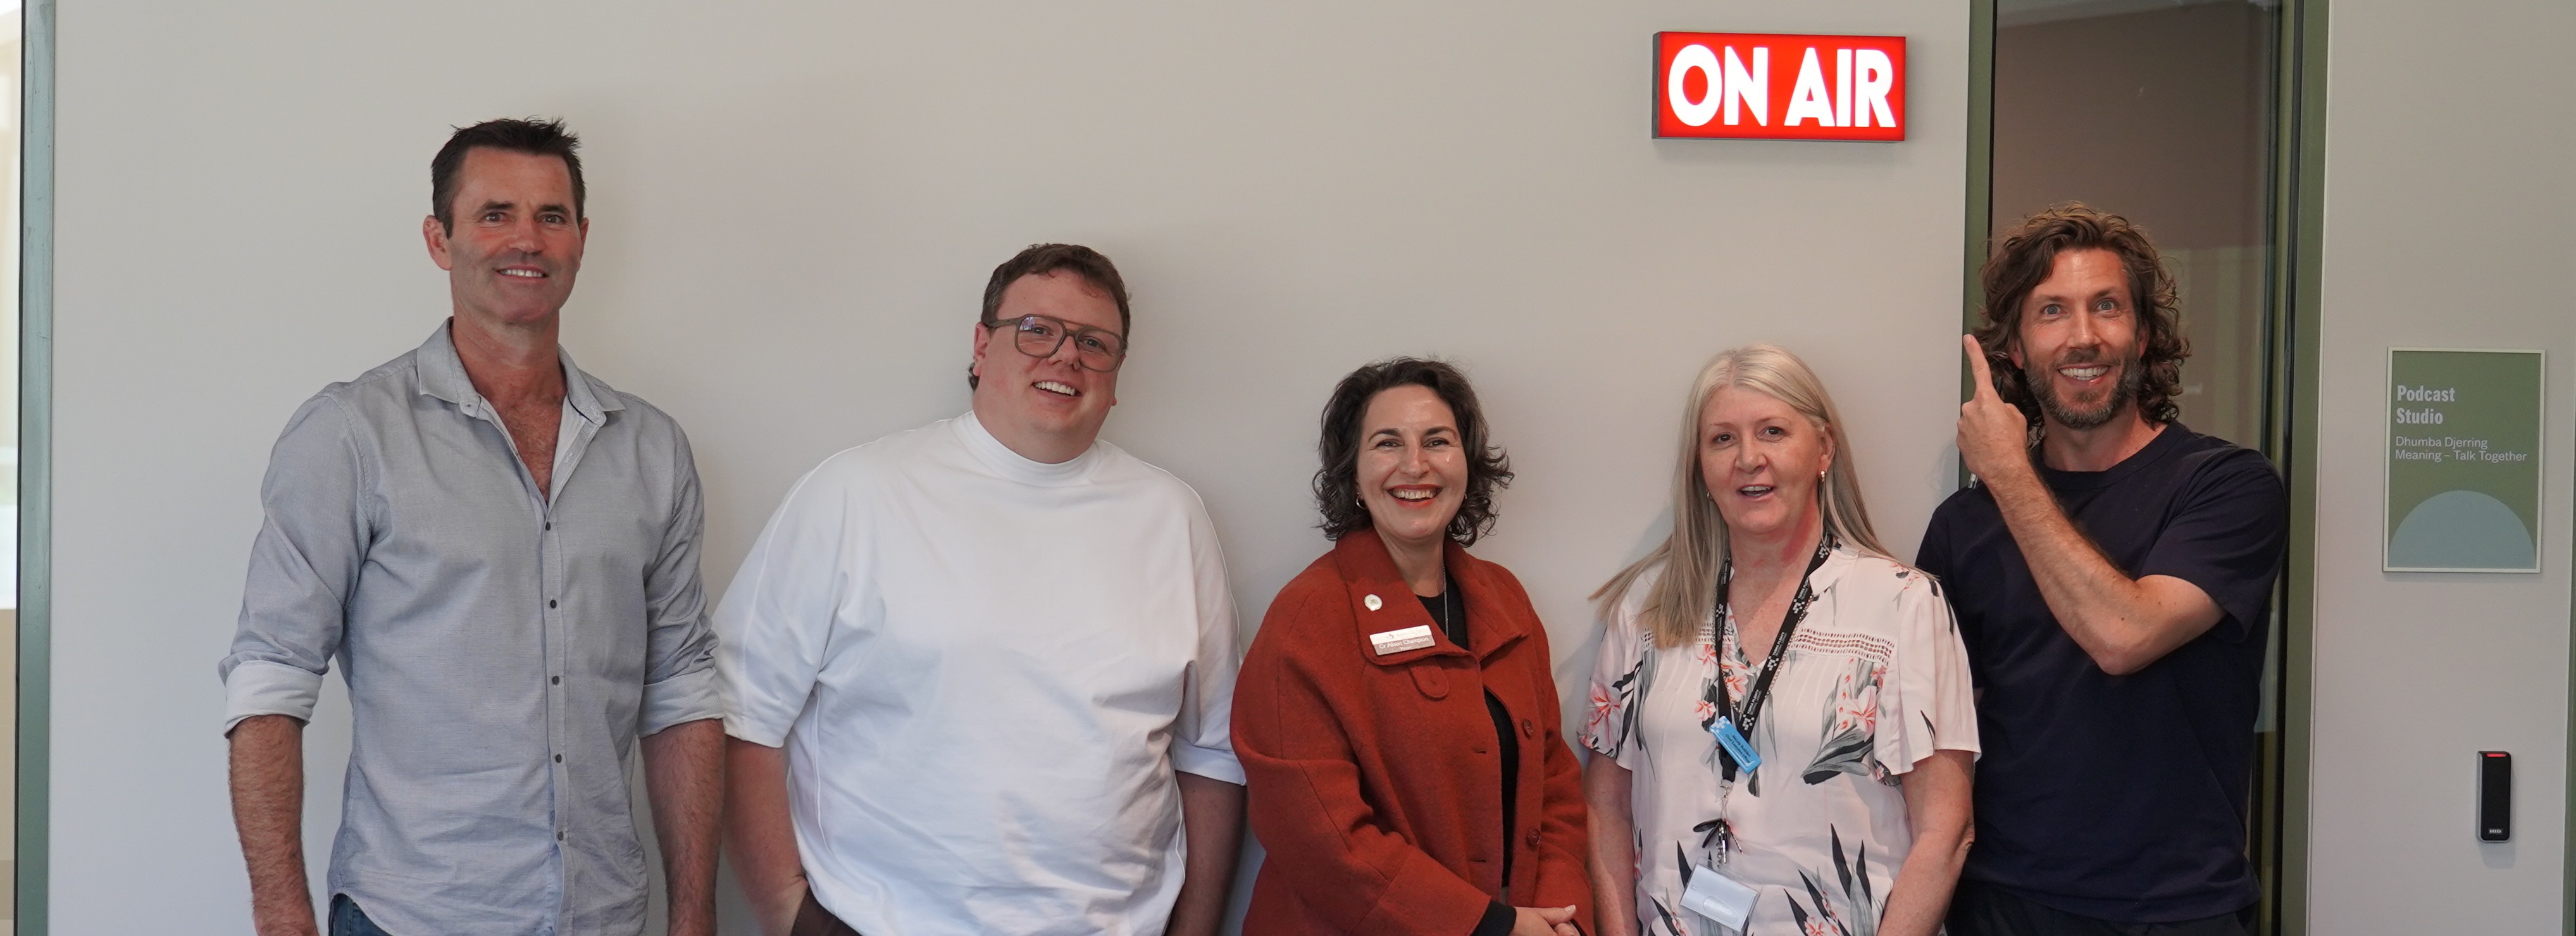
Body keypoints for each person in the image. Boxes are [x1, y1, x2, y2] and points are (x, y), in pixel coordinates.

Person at [218, 118, 725, 936]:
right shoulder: (352, 434)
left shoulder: (653, 448)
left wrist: (695, 912)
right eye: (495, 213)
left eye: (550, 216)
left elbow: (681, 690)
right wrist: (282, 914)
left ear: (581, 239)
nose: (526, 238)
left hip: (603, 915)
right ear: (438, 237)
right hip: (409, 912)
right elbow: (270, 679)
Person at [716, 243, 1245, 936]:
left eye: (1094, 343)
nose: (1065, 357)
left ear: (1116, 378)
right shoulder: (856, 494)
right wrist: (787, 910)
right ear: (980, 347)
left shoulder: (1173, 517)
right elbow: (739, 712)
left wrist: (1195, 930)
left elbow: (1212, 750)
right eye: (1036, 330)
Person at [1924, 206, 2287, 936]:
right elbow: (1932, 731)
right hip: (2000, 901)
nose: (2083, 336)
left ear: (2144, 336)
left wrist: (2007, 473)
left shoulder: (2227, 485)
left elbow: (2125, 633)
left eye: (2107, 308)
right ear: (2017, 351)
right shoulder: (1964, 527)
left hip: (2178, 909)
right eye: (2052, 312)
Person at [1583, 344, 1977, 936]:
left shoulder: (1902, 605)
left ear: (1822, 448)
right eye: (1722, 439)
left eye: (1772, 431)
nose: (1748, 458)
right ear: (1699, 465)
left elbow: (1945, 831)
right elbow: (1604, 804)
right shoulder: (1647, 607)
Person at [1234, 358, 1591, 936]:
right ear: (1352, 474)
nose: (1414, 464)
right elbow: (1317, 837)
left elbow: (1552, 787)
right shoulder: (1306, 619)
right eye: (1386, 443)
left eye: (1437, 441)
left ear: (1466, 465)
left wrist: (1562, 918)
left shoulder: (1505, 601)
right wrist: (1488, 927)